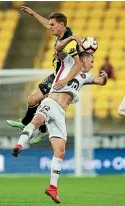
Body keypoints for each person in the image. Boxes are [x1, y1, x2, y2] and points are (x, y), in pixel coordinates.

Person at [12, 36, 108, 203]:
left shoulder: (86, 77)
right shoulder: (70, 63)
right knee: (37, 121)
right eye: (91, 60)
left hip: (61, 114)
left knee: (60, 151)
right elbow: (59, 49)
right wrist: (72, 40)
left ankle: (52, 188)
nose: (93, 64)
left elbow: (100, 82)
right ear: (83, 58)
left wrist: (105, 77)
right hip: (51, 101)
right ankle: (19, 144)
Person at [7, 6, 81, 140]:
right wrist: (33, 13)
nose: (50, 27)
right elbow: (47, 24)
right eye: (50, 24)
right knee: (33, 100)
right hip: (55, 75)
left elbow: (79, 64)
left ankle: (38, 128)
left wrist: (65, 81)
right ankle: (36, 126)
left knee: (39, 102)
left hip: (61, 79)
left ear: (61, 25)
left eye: (53, 25)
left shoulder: (69, 43)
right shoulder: (62, 34)